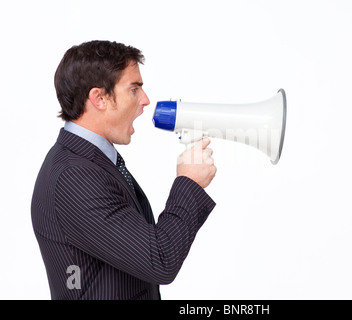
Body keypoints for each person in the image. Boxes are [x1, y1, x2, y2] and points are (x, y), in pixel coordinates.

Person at [31, 40, 217, 300]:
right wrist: (189, 183)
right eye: (134, 89)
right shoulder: (74, 177)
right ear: (99, 98)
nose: (145, 100)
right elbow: (159, 260)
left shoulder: (88, 162)